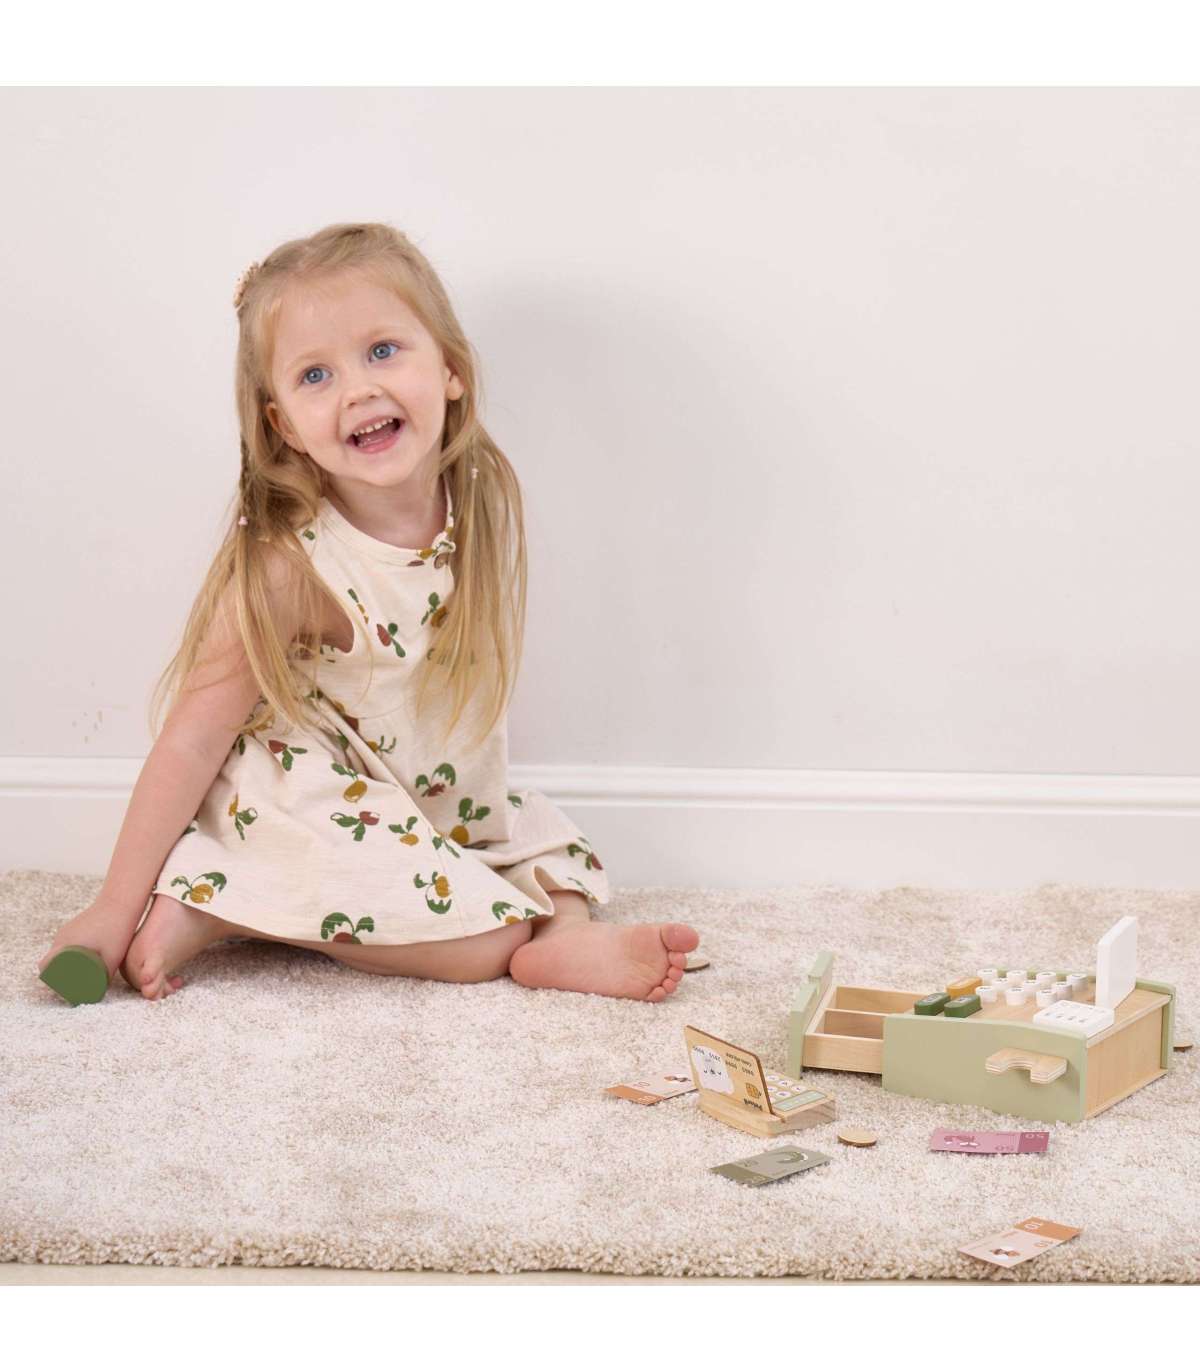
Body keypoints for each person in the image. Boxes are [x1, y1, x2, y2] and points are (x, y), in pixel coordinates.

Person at [38, 221, 699, 1004]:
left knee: (541, 840)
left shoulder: (477, 495)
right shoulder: (294, 565)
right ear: (284, 424)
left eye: (382, 351)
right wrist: (110, 910)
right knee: (485, 941)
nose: (357, 390)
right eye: (315, 375)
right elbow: (192, 738)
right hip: (299, 802)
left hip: (419, 794)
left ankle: (564, 939)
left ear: (450, 369)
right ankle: (209, 901)